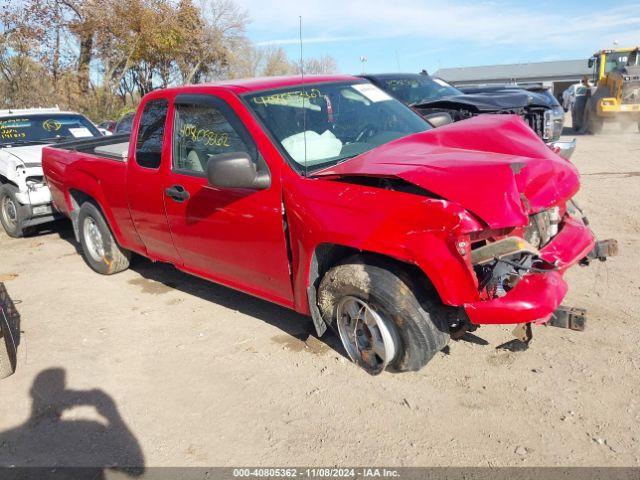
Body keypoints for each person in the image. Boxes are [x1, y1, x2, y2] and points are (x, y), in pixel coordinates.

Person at [0, 368, 144, 478]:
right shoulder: (91, 427)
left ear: (31, 393)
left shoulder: (8, 441)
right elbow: (137, 467)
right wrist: (113, 415)